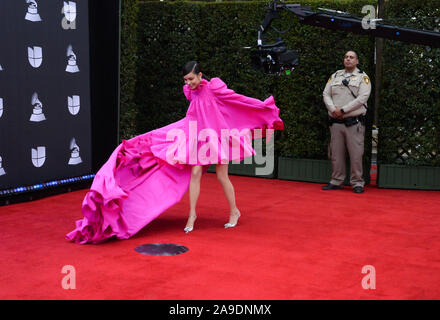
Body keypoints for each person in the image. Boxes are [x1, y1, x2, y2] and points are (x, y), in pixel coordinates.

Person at [65, 61, 283, 244]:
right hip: (197, 137)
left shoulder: (214, 86)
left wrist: (261, 107)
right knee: (196, 174)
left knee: (221, 176)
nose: (188, 82)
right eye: (186, 79)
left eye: (191, 78)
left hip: (217, 137)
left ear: (200, 75)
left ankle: (234, 211)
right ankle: (192, 217)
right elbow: (194, 113)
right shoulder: (189, 90)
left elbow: (237, 99)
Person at [322, 50, 371, 193]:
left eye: (351, 57)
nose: (348, 59)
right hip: (336, 122)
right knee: (336, 154)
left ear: (357, 61)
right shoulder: (335, 75)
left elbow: (362, 98)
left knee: (356, 154)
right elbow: (326, 94)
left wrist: (342, 110)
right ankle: (336, 181)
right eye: (346, 57)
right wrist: (333, 109)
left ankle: (357, 183)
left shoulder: (363, 78)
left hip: (353, 123)